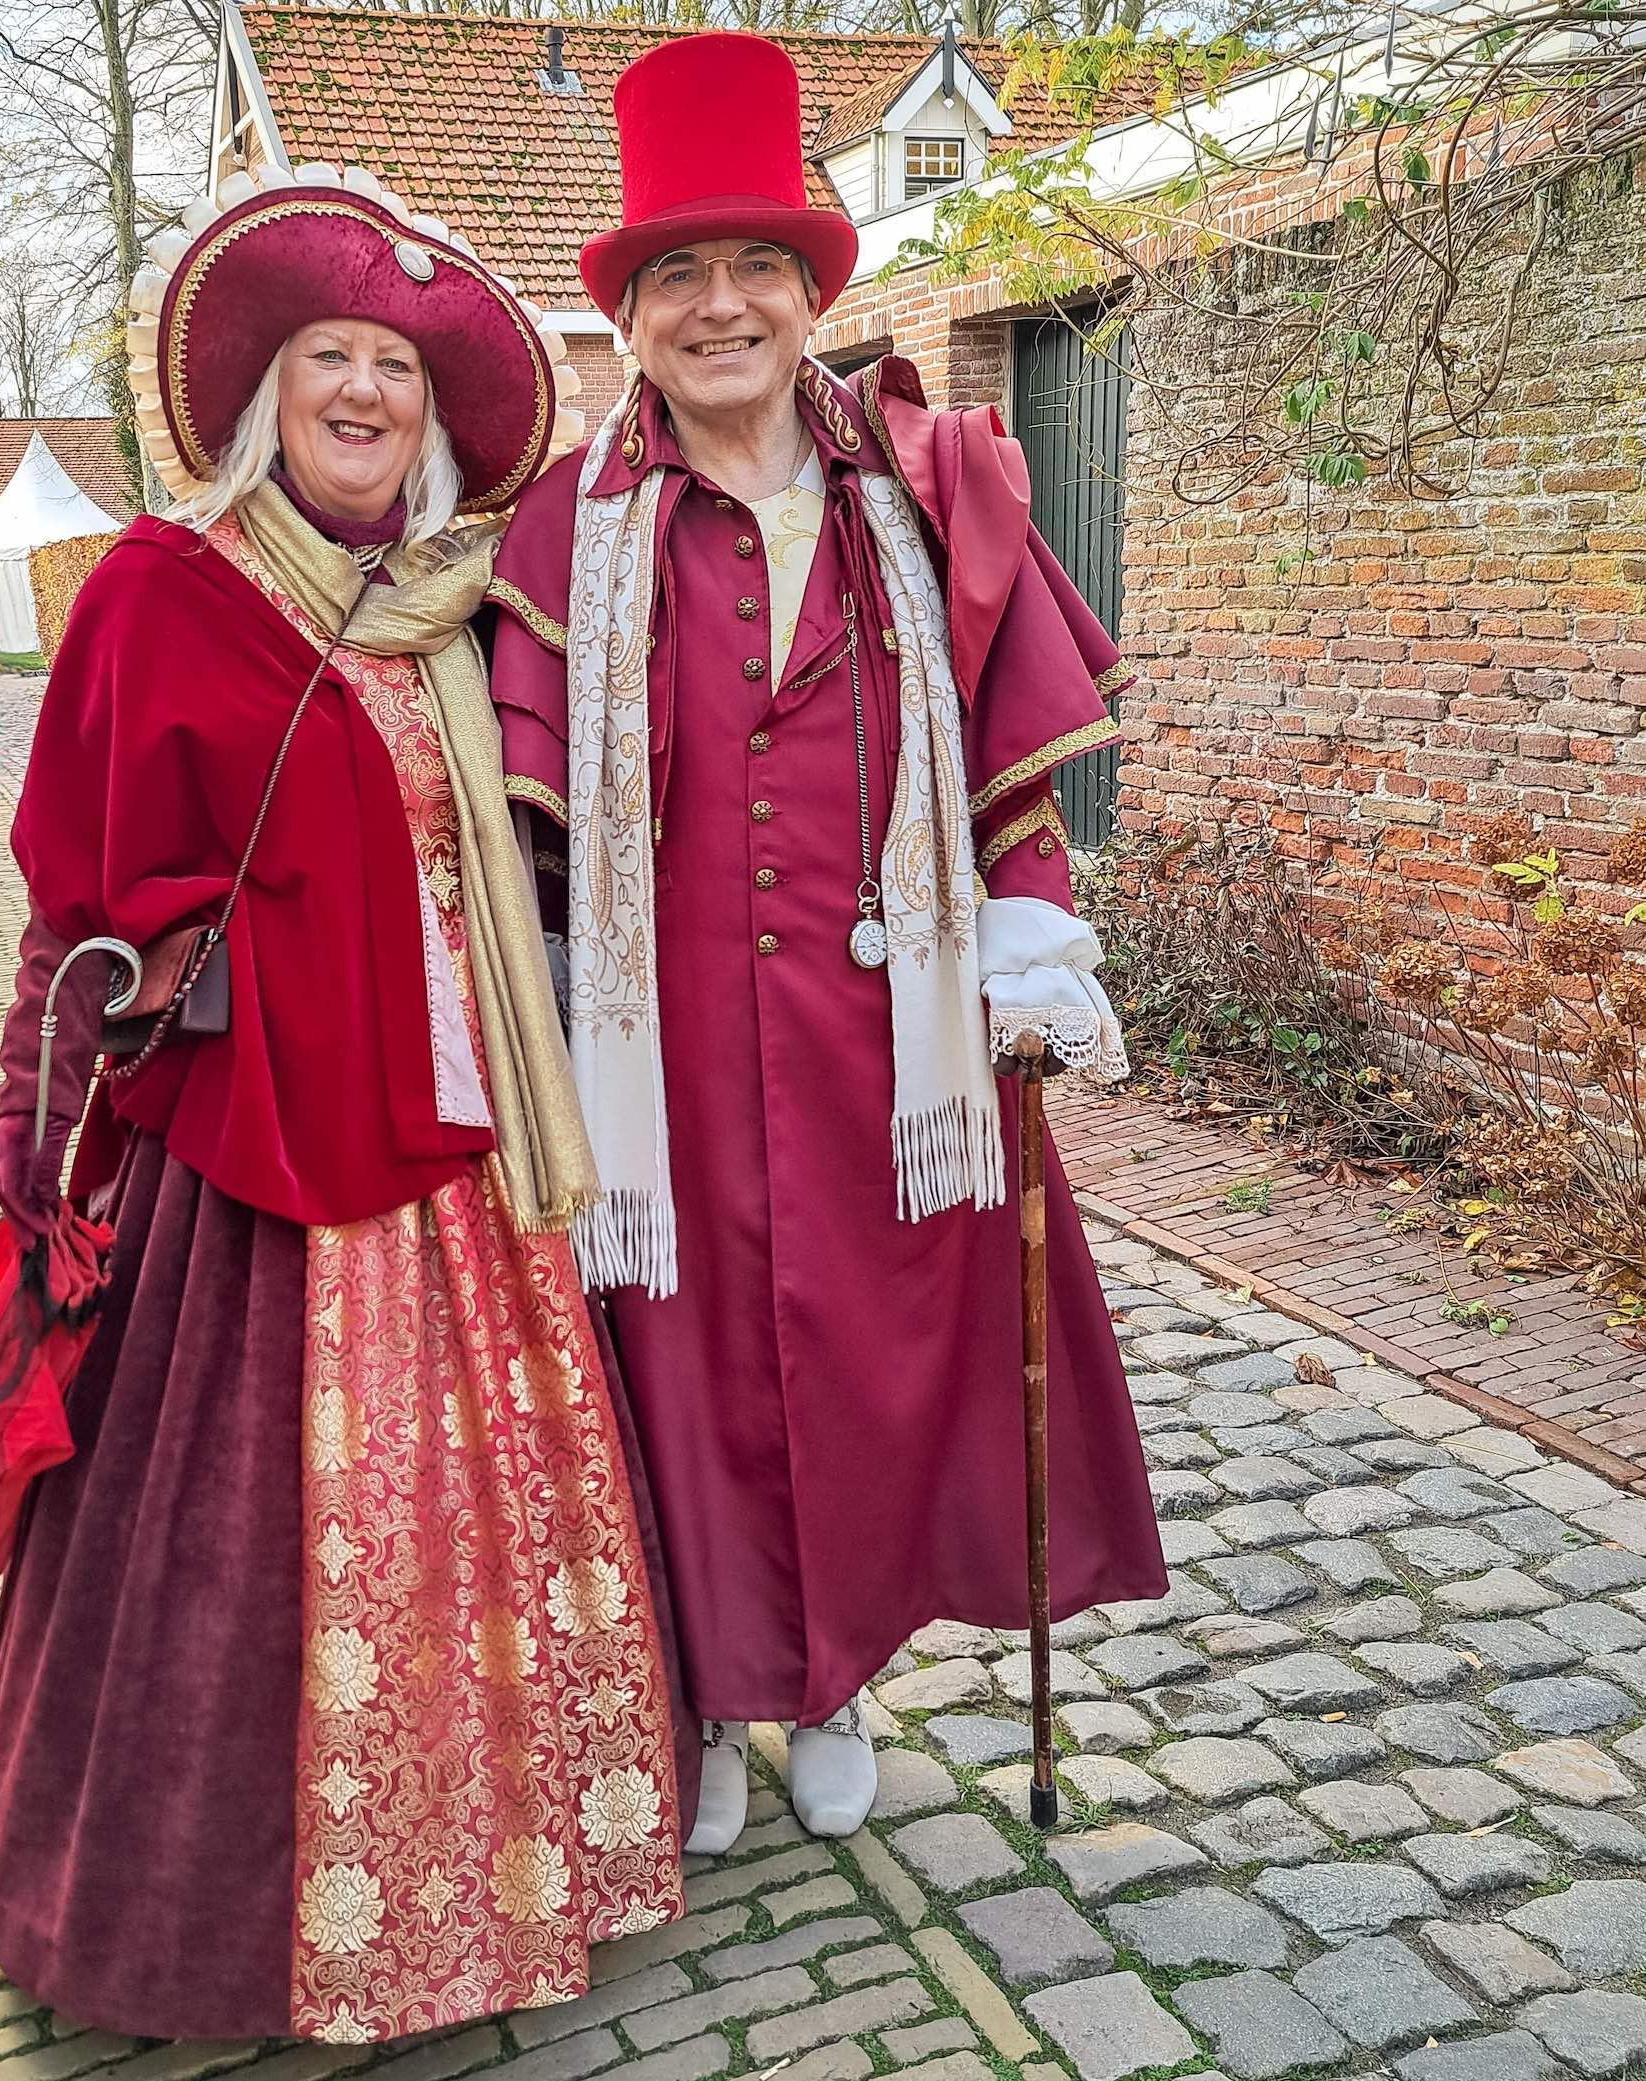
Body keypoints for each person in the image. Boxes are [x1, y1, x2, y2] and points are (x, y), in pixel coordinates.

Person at [0, 165, 687, 2044]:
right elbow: (71, 897)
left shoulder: (451, 616)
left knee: (488, 1517)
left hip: (460, 1132)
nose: (368, 392)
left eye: (398, 367)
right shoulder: (158, 593)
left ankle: (505, 1875)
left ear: (434, 423)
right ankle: (221, 1927)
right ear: (265, 396)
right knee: (229, 1550)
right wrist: (33, 1144)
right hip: (255, 1162)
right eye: (332, 359)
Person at [487, 35, 1168, 1857]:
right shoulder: (567, 529)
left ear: (808, 294)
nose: (721, 309)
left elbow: (1012, 765)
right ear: (628, 317)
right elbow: (526, 816)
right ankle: (711, 1692)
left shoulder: (930, 487)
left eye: (755, 271)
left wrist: (1030, 948)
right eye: (677, 278)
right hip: (669, 1056)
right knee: (683, 1363)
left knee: (871, 1362)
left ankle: (835, 1679)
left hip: (890, 1046)